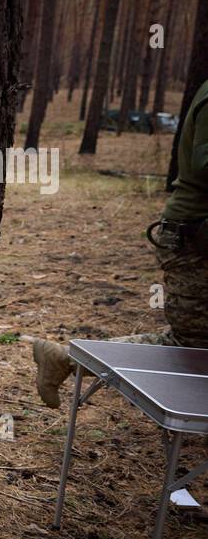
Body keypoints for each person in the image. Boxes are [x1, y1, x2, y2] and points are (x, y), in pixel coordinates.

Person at [29, 76, 208, 407]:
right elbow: (204, 163)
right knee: (192, 351)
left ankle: (67, 358)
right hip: (194, 240)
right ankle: (67, 358)